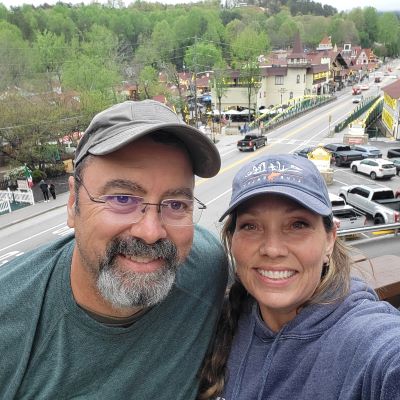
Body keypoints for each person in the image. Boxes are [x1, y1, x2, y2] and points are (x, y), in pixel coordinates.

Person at [0, 100, 228, 399]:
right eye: (122, 199)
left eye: (175, 205)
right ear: (72, 204)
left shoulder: (206, 266)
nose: (150, 233)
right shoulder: (10, 320)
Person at [198, 154, 400, 400]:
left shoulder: (364, 339)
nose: (272, 249)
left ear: (329, 239)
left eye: (298, 225)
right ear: (232, 240)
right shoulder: (223, 317)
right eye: (251, 226)